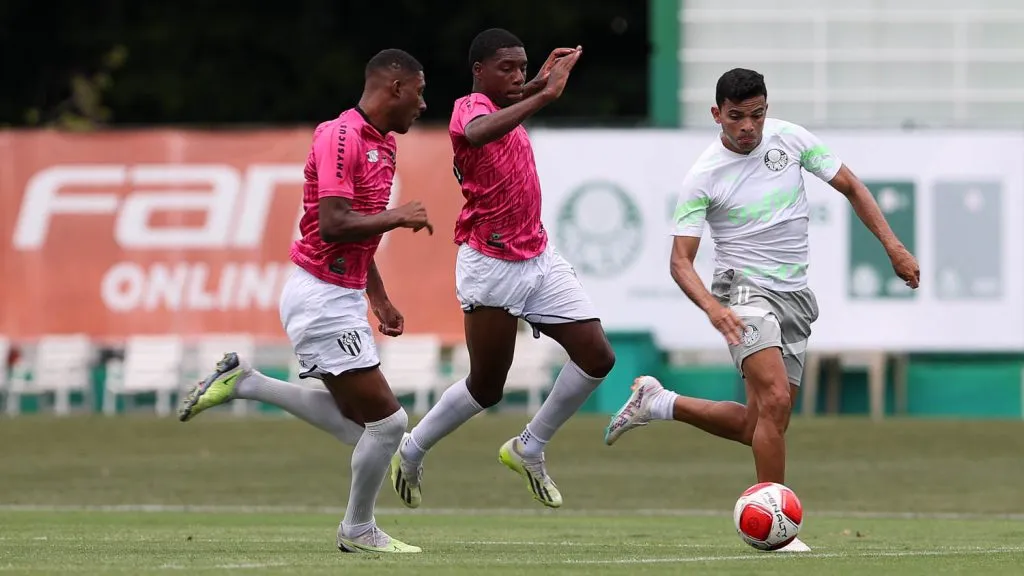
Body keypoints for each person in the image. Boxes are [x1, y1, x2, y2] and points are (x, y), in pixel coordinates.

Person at [603, 68, 920, 551]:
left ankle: (659, 402)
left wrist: (893, 247)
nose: (748, 126)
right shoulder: (703, 176)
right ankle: (779, 532)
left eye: (757, 114)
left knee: (761, 423)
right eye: (737, 117)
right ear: (717, 115)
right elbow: (680, 262)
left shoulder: (791, 139)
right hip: (743, 294)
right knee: (774, 400)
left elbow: (852, 186)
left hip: (795, 297)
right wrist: (714, 309)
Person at [176, 48, 432, 554]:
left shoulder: (384, 143)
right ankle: (357, 529)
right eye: (420, 93)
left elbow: (359, 230)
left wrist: (377, 296)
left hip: (341, 295)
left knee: (362, 424)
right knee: (390, 423)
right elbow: (333, 224)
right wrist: (398, 216)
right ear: (396, 88)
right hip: (320, 296)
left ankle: (246, 382)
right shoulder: (340, 136)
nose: (423, 105)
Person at [388, 28, 616, 510]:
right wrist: (543, 95)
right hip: (492, 265)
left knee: (597, 356)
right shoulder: (469, 109)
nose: (517, 76)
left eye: (522, 67)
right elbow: (476, 132)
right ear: (479, 71)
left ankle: (529, 446)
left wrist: (537, 85)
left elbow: (508, 107)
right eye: (506, 68)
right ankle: (412, 447)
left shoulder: (503, 105)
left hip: (538, 256)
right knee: (487, 387)